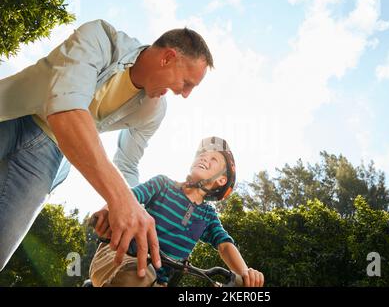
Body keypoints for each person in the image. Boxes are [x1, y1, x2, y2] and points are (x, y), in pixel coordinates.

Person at [0, 19, 214, 278]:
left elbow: (126, 163)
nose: (185, 94)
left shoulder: (154, 111)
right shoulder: (101, 37)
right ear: (168, 58)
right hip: (13, 114)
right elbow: (66, 109)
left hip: (50, 155)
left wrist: (127, 207)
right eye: (187, 82)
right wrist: (120, 199)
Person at [89, 137, 264, 287]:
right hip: (117, 255)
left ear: (221, 180)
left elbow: (224, 244)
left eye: (213, 158)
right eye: (202, 153)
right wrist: (106, 211)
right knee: (140, 275)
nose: (204, 157)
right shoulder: (163, 185)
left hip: (156, 280)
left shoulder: (207, 216)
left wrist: (245, 274)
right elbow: (128, 197)